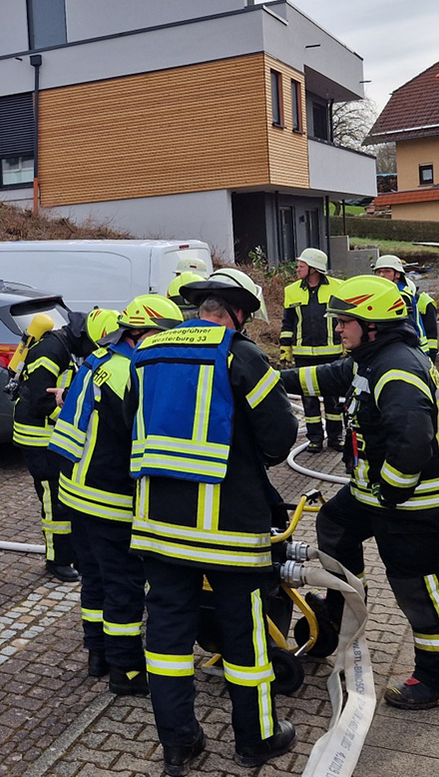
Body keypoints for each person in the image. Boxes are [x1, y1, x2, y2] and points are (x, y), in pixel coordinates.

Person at [130, 268, 298, 775]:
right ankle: (256, 740)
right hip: (228, 533)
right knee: (244, 639)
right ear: (240, 312)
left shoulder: (149, 353)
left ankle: (179, 744)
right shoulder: (240, 354)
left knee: (165, 642)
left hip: (158, 526)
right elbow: (280, 438)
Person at [279, 274, 439, 709]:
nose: (338, 329)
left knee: (417, 586)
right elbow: (327, 376)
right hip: (376, 494)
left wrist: (392, 495)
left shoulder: (397, 369)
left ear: (373, 324)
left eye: (345, 321)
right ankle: (342, 612)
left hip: (410, 502)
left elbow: (412, 442)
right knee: (335, 524)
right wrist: (265, 377)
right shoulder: (369, 359)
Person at [50, 296, 182, 697]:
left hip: (75, 491)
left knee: (94, 578)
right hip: (110, 498)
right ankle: (125, 673)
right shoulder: (132, 372)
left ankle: (98, 654)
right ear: (143, 334)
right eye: (167, 337)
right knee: (124, 585)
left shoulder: (98, 362)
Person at [12, 311, 100, 582]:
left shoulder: (67, 347)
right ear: (83, 336)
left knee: (64, 499)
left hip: (52, 437)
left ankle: (70, 554)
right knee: (54, 503)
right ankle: (57, 561)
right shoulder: (51, 351)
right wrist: (75, 417)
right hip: (38, 438)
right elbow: (41, 401)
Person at [279, 248, 344, 453]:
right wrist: (285, 349)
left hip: (331, 353)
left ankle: (336, 437)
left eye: (301, 266)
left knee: (333, 400)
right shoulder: (292, 291)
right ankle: (315, 438)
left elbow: (345, 319)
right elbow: (288, 322)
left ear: (314, 269)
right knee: (309, 399)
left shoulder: (338, 288)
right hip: (303, 354)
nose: (297, 269)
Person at [373, 254, 438, 360]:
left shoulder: (402, 295)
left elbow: (405, 327)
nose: (381, 275)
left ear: (397, 274)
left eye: (386, 271)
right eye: (378, 272)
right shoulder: (387, 293)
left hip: (409, 349)